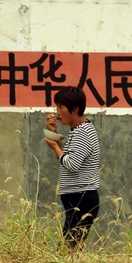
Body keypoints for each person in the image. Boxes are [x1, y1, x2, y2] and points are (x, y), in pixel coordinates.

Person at [44, 86, 101, 250]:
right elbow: (71, 156)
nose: (58, 112)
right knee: (70, 248)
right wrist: (54, 134)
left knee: (68, 249)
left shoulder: (82, 132)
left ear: (74, 109)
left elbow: (72, 164)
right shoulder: (78, 131)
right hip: (77, 197)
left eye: (61, 107)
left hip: (81, 198)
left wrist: (55, 147)